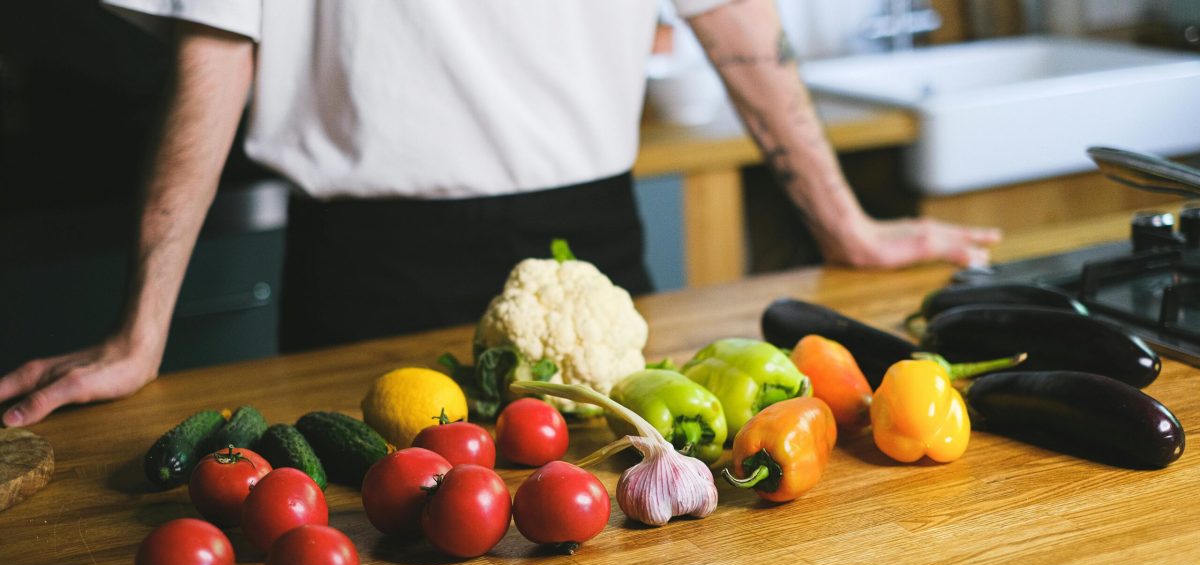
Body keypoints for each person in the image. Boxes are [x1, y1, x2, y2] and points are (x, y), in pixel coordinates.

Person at [0, 0, 1000, 428]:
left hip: (594, 265)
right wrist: (142, 333)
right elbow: (219, 39)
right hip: (366, 281)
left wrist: (847, 229)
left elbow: (733, 19)